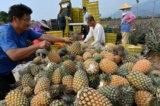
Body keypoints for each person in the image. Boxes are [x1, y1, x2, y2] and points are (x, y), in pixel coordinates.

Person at [0, 4, 72, 100]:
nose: (29, 23)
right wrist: (37, 46)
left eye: (29, 20)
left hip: (6, 71)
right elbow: (13, 55)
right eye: (26, 20)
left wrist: (63, 39)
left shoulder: (25, 31)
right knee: (7, 100)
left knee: (15, 93)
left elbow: (43, 36)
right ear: (15, 19)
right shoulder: (4, 32)